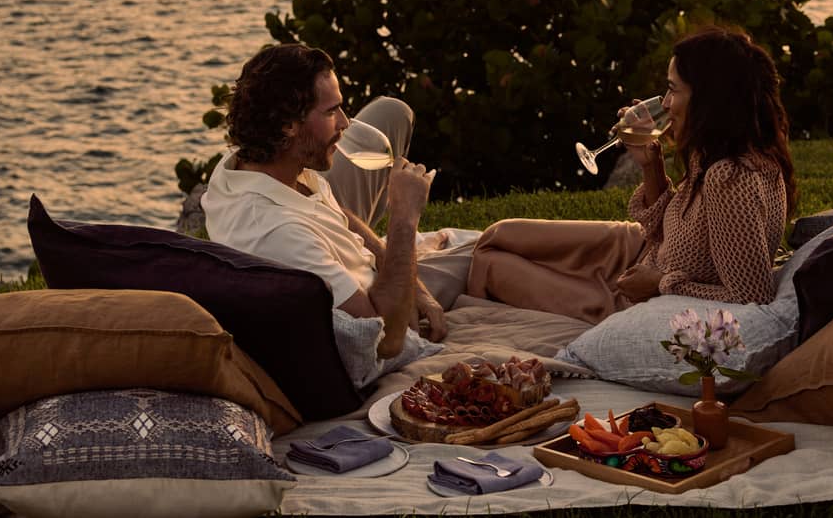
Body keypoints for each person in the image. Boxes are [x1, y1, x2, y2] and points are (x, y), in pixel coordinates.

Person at [468, 25, 797, 318]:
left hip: (633, 301)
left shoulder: (731, 177)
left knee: (489, 264)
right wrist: (650, 163)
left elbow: (751, 298)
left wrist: (660, 284)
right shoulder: (717, 150)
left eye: (673, 90)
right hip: (641, 251)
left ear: (709, 100)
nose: (664, 103)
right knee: (499, 234)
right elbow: (676, 232)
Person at [201, 43, 457, 359]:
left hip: (374, 269)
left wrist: (407, 277)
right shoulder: (278, 234)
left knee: (392, 111)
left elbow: (338, 215)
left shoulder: (256, 165)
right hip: (382, 296)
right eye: (331, 111)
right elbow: (386, 341)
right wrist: (404, 219)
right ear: (287, 125)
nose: (345, 123)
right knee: (490, 257)